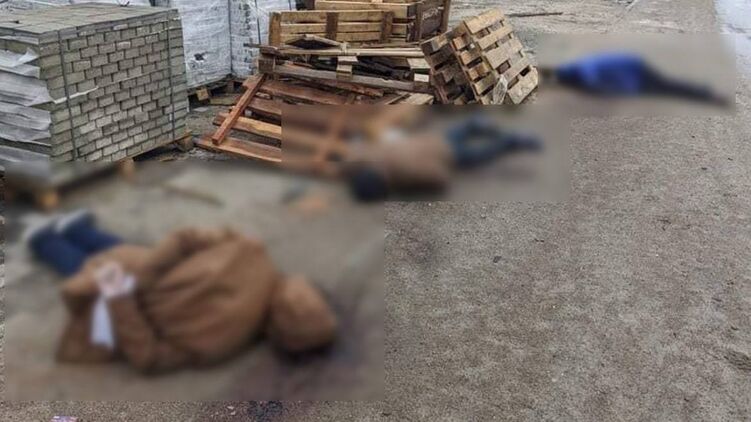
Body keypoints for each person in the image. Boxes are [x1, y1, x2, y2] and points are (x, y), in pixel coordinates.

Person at [26, 211, 338, 373]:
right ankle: (67, 234)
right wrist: (138, 280)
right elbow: (150, 358)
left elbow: (149, 356)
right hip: (138, 287)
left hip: (128, 299)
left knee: (104, 271)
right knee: (119, 262)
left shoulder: (253, 254)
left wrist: (129, 287)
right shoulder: (224, 344)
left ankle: (50, 239)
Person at [346, 116, 541, 201]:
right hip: (433, 139)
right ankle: (476, 125)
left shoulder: (404, 175)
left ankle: (511, 141)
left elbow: (439, 178)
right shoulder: (376, 155)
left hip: (449, 155)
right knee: (459, 132)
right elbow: (356, 152)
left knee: (482, 154)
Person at [555, 52, 729, 105]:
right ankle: (704, 93)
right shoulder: (582, 65)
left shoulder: (585, 71)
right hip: (633, 66)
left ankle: (706, 95)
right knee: (667, 87)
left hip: (635, 71)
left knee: (667, 88)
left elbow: (595, 86)